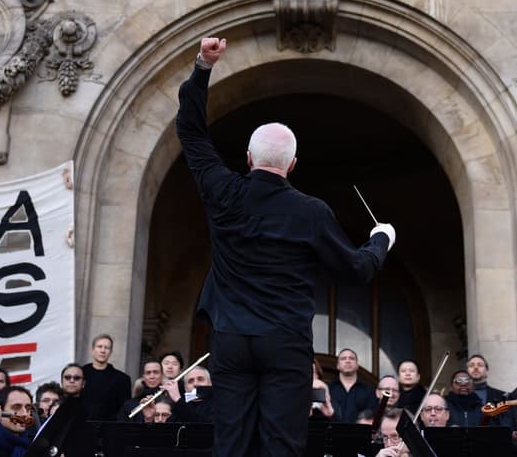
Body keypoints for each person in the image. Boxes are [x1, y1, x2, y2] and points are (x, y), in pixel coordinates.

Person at [176, 36, 394, 457]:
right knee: (282, 445)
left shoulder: (223, 190)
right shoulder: (310, 212)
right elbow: (357, 270)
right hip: (285, 341)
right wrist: (381, 240)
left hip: (231, 337)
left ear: (247, 157)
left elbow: (190, 130)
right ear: (292, 165)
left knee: (232, 444)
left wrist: (203, 67)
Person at [81, 333, 132, 421]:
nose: (103, 350)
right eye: (99, 346)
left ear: (110, 352)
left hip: (109, 428)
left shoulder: (122, 379)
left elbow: (124, 410)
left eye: (106, 347)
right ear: (92, 350)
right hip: (81, 426)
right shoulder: (80, 375)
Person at [0, 385, 36, 457]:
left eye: (28, 408)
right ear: (0, 410)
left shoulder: (33, 439)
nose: (25, 414)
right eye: (16, 407)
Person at [329, 348, 378, 423]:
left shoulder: (369, 391)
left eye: (351, 358)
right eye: (343, 358)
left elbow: (373, 415)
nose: (348, 361)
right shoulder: (329, 389)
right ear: (338, 366)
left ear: (357, 365)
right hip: (332, 433)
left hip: (359, 432)